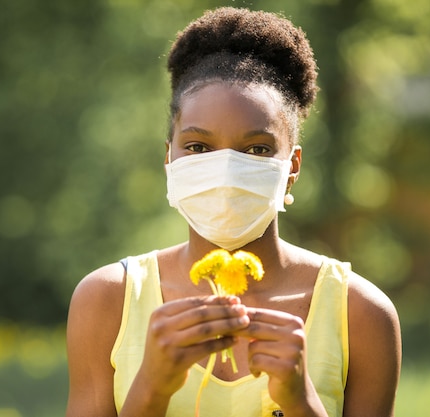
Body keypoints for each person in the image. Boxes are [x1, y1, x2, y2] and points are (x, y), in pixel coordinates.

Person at [66, 7, 401, 417]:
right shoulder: (107, 301)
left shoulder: (361, 314)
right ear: (168, 157)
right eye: (199, 147)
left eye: (257, 149)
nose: (224, 168)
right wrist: (151, 389)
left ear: (292, 167)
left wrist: (301, 403)